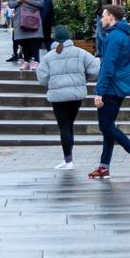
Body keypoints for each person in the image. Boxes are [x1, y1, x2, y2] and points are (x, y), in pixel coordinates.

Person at [89, 5, 130, 180]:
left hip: (111, 87)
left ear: (112, 17)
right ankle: (103, 167)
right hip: (119, 86)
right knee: (109, 127)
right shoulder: (124, 35)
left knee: (105, 126)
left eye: (104, 16)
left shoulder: (113, 38)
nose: (101, 19)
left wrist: (99, 91)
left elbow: (107, 66)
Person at [34, 30, 100, 170]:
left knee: (64, 126)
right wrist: (86, 78)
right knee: (70, 124)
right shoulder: (80, 52)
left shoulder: (49, 56)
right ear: (69, 37)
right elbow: (95, 68)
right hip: (76, 95)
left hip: (58, 97)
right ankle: (68, 159)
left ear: (55, 39)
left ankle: (68, 160)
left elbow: (42, 77)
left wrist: (51, 84)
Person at [11, 0, 47, 70]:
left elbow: (41, 3)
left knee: (33, 41)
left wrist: (28, 0)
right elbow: (11, 4)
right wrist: (19, 1)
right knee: (23, 42)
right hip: (20, 20)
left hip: (32, 20)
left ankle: (36, 61)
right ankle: (26, 61)